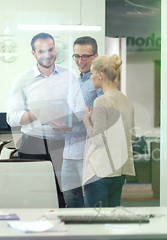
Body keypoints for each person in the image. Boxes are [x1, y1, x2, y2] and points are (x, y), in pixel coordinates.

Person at [6, 32, 80, 208]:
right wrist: (37, 112)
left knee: (65, 199)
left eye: (51, 49)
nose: (48, 54)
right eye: (41, 51)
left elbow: (78, 111)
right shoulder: (22, 80)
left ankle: (64, 234)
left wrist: (70, 124)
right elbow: (11, 118)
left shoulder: (69, 77)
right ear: (34, 53)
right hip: (33, 145)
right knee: (32, 199)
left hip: (64, 146)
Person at [82, 54, 136, 207]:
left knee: (97, 224)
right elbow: (131, 136)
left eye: (92, 73)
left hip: (99, 172)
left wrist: (87, 121)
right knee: (111, 222)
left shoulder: (101, 100)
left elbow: (98, 140)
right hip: (118, 172)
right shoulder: (126, 100)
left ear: (100, 74)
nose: (90, 77)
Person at [61, 36, 103, 208]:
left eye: (85, 56)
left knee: (91, 207)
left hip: (89, 155)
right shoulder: (74, 83)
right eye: (76, 56)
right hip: (68, 154)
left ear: (95, 56)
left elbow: (103, 116)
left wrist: (78, 121)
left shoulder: (100, 83)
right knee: (70, 206)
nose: (80, 60)